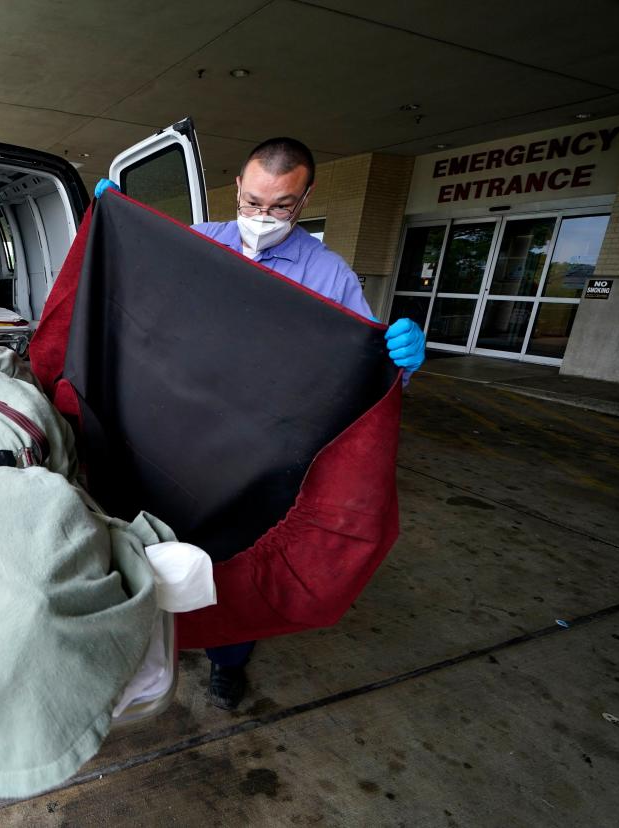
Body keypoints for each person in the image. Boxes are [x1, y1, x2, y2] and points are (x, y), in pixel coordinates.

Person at [95, 137, 426, 710]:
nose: (262, 218)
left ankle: (227, 658)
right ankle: (145, 647)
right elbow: (140, 311)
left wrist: (398, 366)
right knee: (151, 543)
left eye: (280, 207)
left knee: (235, 563)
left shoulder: (328, 275)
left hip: (260, 455)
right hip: (176, 436)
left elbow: (358, 375)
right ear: (238, 190)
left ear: (305, 198)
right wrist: (120, 232)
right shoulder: (201, 244)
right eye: (252, 203)